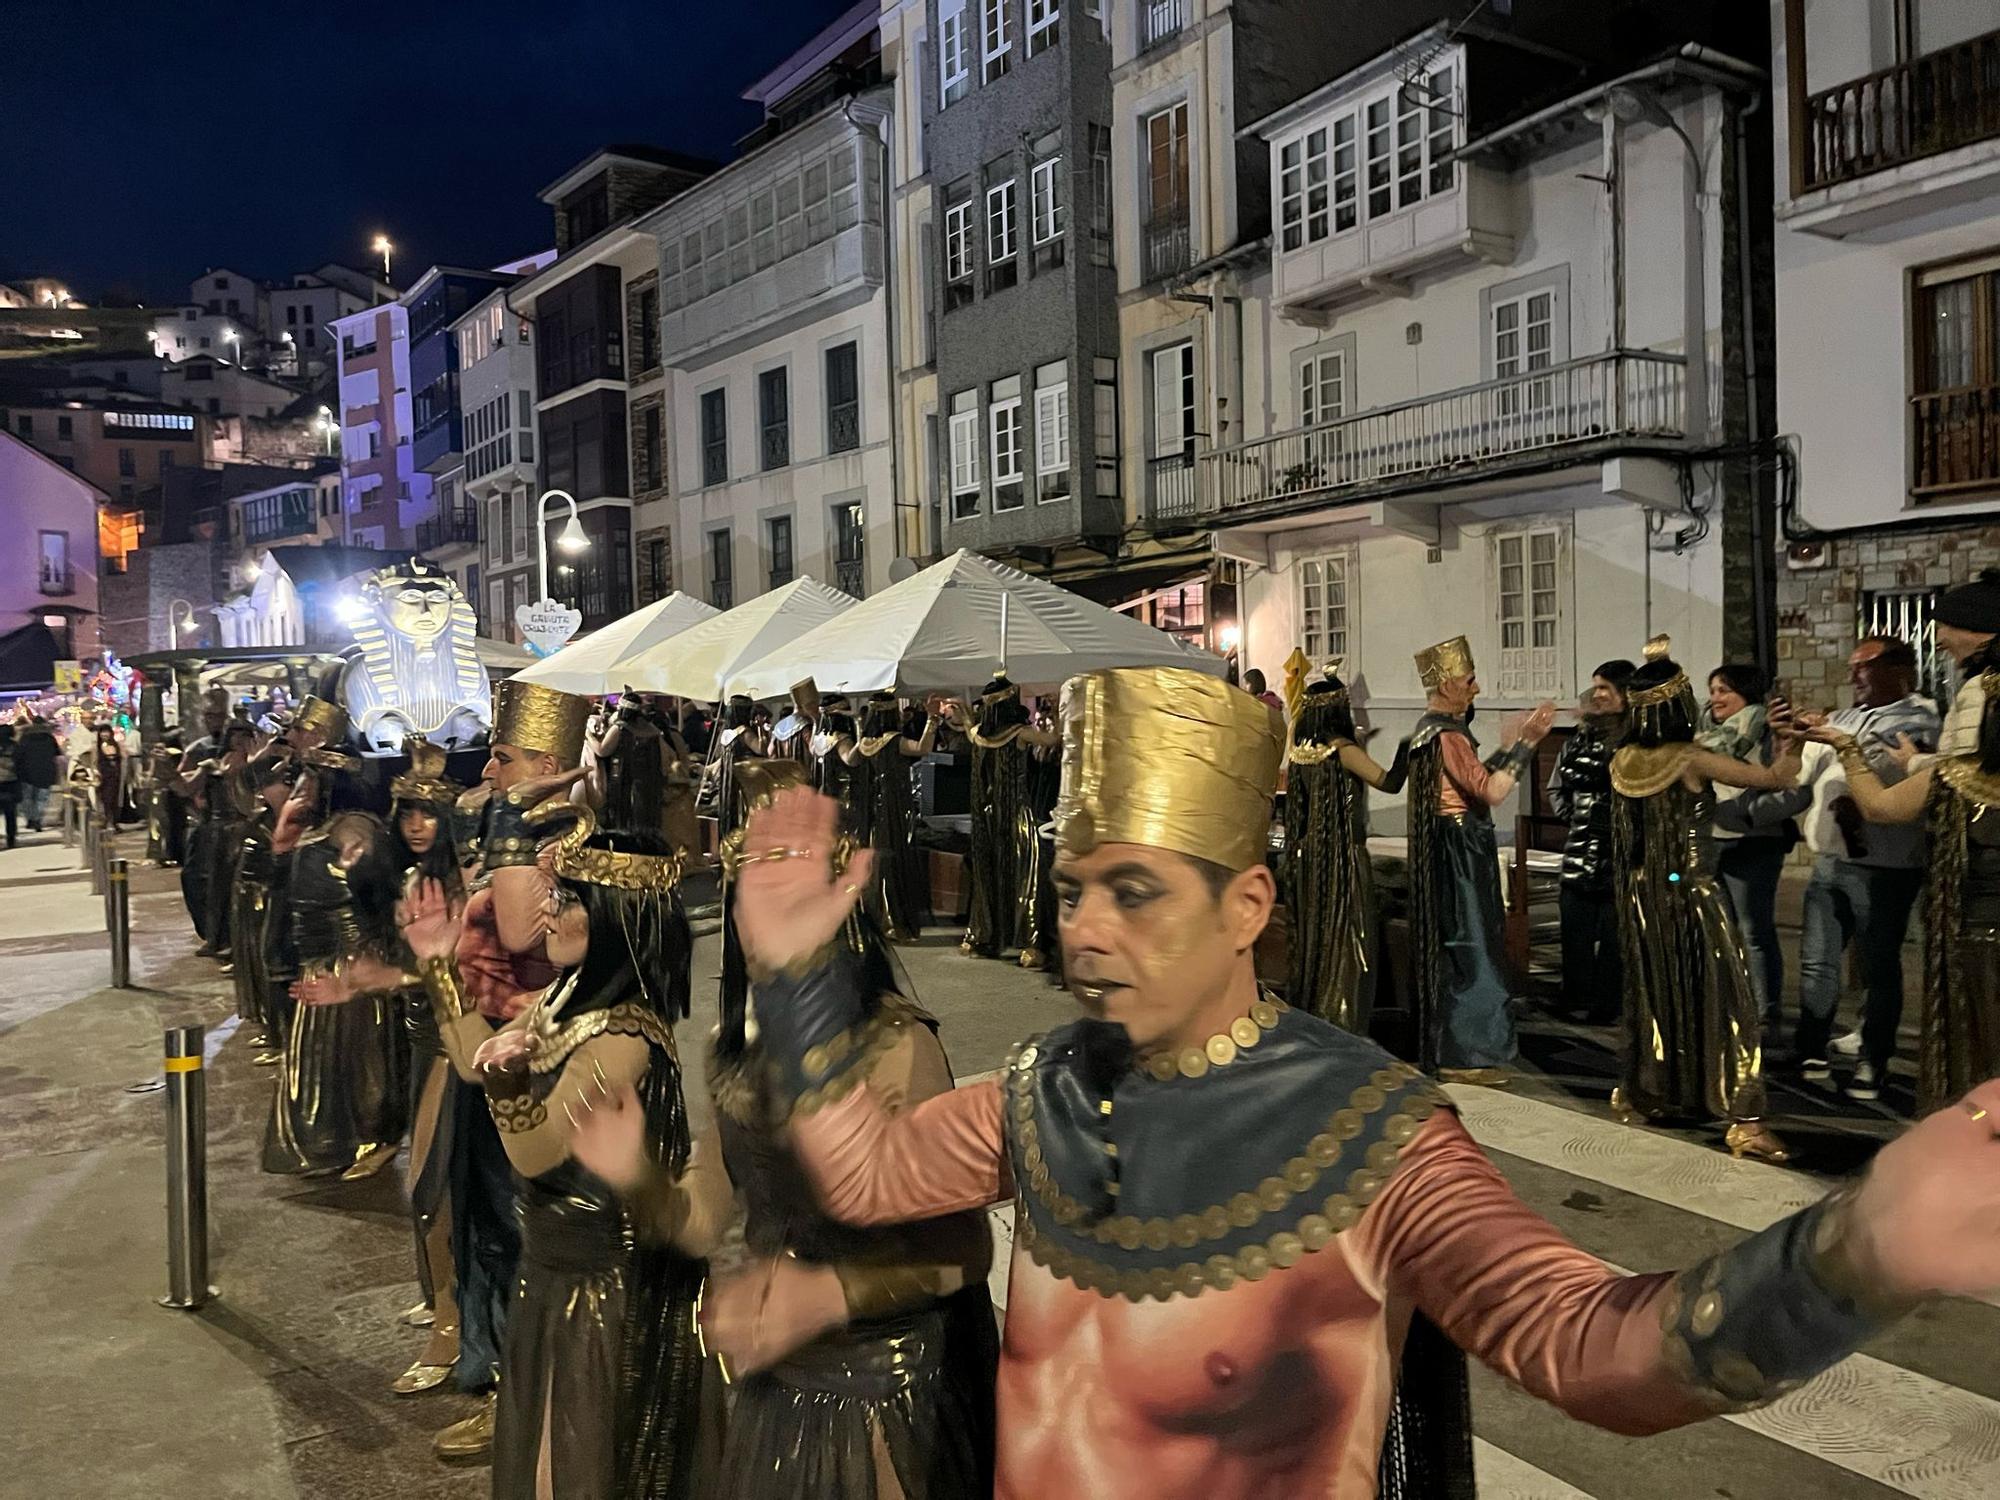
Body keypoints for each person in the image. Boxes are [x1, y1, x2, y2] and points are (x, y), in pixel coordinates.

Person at [726, 662, 2000, 1500]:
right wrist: (796, 980)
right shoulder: (1044, 1084)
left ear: (1246, 906)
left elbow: (1588, 1345)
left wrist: (1855, 1252)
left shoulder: (1369, 1130)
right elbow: (868, 1173)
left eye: (1131, 893)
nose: (1082, 931)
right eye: (1069, 892)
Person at [572, 900, 999, 1500]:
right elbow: (700, 1221)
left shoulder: (898, 1047)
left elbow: (964, 1249)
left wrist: (827, 1298)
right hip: (779, 1381)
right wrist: (635, 1174)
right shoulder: (735, 1047)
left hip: (888, 1384)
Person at [404, 803, 709, 1500]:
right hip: (555, 1270)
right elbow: (476, 1064)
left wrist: (509, 1082)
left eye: (567, 898)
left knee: (579, 1464)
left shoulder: (622, 1037)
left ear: (613, 918)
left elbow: (535, 1155)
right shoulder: (568, 996)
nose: (547, 911)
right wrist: (438, 968)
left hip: (603, 1289)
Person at [1804, 569, 2000, 1114]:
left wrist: (1847, 749)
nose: (1939, 641)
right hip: (1944, 888)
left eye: (1947, 631)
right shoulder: (1961, 737)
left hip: (1972, 905)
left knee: (1969, 1016)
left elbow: (1886, 807)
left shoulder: (1965, 711)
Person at [1609, 639, 1799, 1163]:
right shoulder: (1689, 757)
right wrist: (1792, 742)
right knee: (1728, 1000)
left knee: (1656, 993)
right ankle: (1746, 1120)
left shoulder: (1621, 760)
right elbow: (1776, 779)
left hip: (1642, 892)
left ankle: (1652, 1091)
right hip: (1693, 890)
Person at [1756, 638, 1937, 1100]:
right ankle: (1812, 1049)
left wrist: (1844, 743)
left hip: (1885, 865)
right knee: (1817, 963)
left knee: (1879, 966)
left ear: (1901, 669)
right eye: (1852, 666)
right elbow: (1801, 774)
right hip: (1831, 857)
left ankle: (1873, 1060)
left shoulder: (1921, 719)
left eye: (1867, 665)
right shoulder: (1844, 717)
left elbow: (1899, 781)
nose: (1855, 674)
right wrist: (1792, 738)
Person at [1405, 636, 1554, 1082]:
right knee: (1474, 946)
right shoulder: (1447, 734)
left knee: (1468, 941)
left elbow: (1474, 778)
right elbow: (1491, 791)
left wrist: (1508, 749)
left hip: (1453, 844)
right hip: (1461, 847)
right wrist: (1528, 743)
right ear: (1447, 684)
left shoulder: (1431, 731)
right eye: (1468, 680)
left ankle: (1461, 1046)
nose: (1476, 688)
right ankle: (1466, 1052)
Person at [1281, 663, 1407, 1033]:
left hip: (1310, 863)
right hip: (1344, 860)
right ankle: (1345, 1020)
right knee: (1352, 943)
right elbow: (1390, 783)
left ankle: (1314, 1016)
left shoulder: (1301, 752)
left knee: (1316, 942)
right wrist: (1407, 746)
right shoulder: (1343, 750)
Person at [1701, 662, 1792, 1037]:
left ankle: (1763, 1011)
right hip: (1714, 838)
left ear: (1747, 694)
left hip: (1754, 841)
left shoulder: (1767, 732)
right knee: (1721, 930)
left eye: (1725, 690)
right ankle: (1729, 1004)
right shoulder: (1709, 734)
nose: (1716, 698)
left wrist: (1749, 815)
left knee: (1754, 931)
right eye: (1713, 690)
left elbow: (1792, 785)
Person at [944, 677, 1059, 968]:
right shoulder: (1020, 733)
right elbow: (1053, 740)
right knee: (1024, 874)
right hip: (1015, 814)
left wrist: (966, 714)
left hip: (987, 817)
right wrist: (1058, 712)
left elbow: (970, 728)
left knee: (990, 872)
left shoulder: (980, 734)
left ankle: (984, 936)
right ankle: (1030, 943)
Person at [1546, 661, 1633, 1024]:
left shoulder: (1634, 741)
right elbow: (1558, 789)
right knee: (1575, 933)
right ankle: (1574, 998)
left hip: (1620, 856)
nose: (1597, 695)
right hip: (1579, 853)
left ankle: (1606, 1006)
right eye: (1595, 687)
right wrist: (1577, 820)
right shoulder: (1578, 739)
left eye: (1605, 688)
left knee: (1615, 939)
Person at [842, 692, 939, 942]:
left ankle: (873, 916)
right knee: (894, 857)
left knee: (874, 859)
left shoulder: (866, 743)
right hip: (895, 807)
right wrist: (932, 718)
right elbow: (923, 748)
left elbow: (851, 761)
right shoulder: (894, 740)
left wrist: (859, 729)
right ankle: (893, 918)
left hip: (872, 810)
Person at [15, 714, 59, 833]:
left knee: (27, 798)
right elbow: (57, 754)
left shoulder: (25, 738)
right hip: (46, 772)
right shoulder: (50, 738)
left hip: (27, 773)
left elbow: (18, 755)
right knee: (41, 799)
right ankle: (37, 819)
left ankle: (30, 819)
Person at [0, 723, 19, 849]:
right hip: (10, 781)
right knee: (10, 812)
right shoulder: (14, 746)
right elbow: (20, 762)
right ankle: (11, 838)